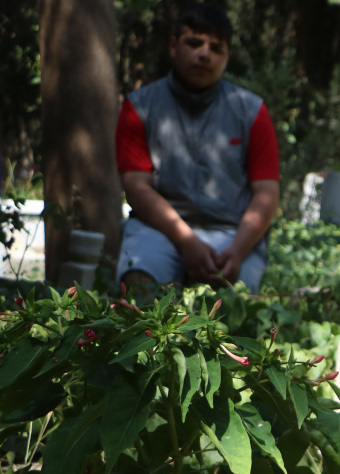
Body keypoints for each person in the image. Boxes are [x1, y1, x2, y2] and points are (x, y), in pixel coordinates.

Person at [114, 2, 280, 289]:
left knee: (235, 311)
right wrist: (187, 241)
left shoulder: (252, 111)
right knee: (140, 289)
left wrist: (238, 251)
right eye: (194, 43)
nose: (205, 54)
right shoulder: (138, 107)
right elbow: (136, 188)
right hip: (156, 230)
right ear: (173, 46)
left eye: (216, 48)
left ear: (227, 57)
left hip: (232, 233)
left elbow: (266, 192)